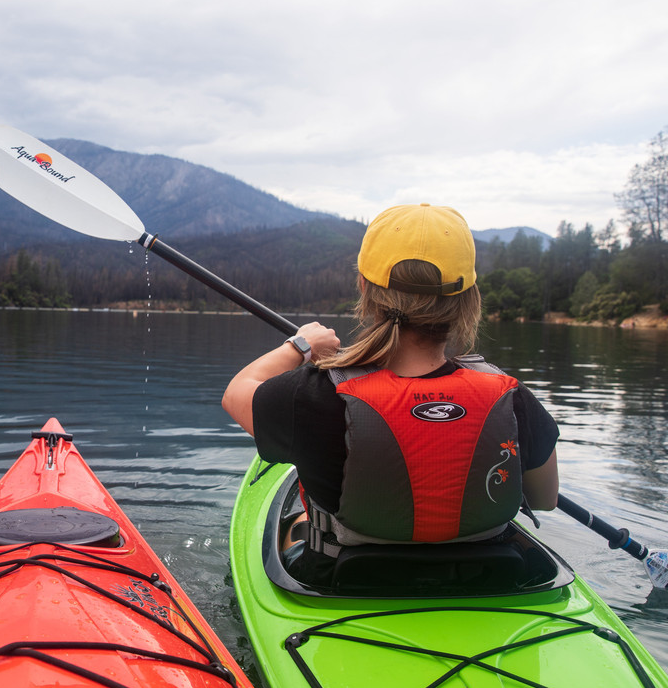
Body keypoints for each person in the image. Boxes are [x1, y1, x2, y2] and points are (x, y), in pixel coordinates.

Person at [222, 203, 559, 574]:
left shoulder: (315, 396)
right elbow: (544, 500)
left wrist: (301, 344)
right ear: (468, 297)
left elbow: (237, 393)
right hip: (490, 579)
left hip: (344, 584)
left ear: (364, 286)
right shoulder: (511, 398)